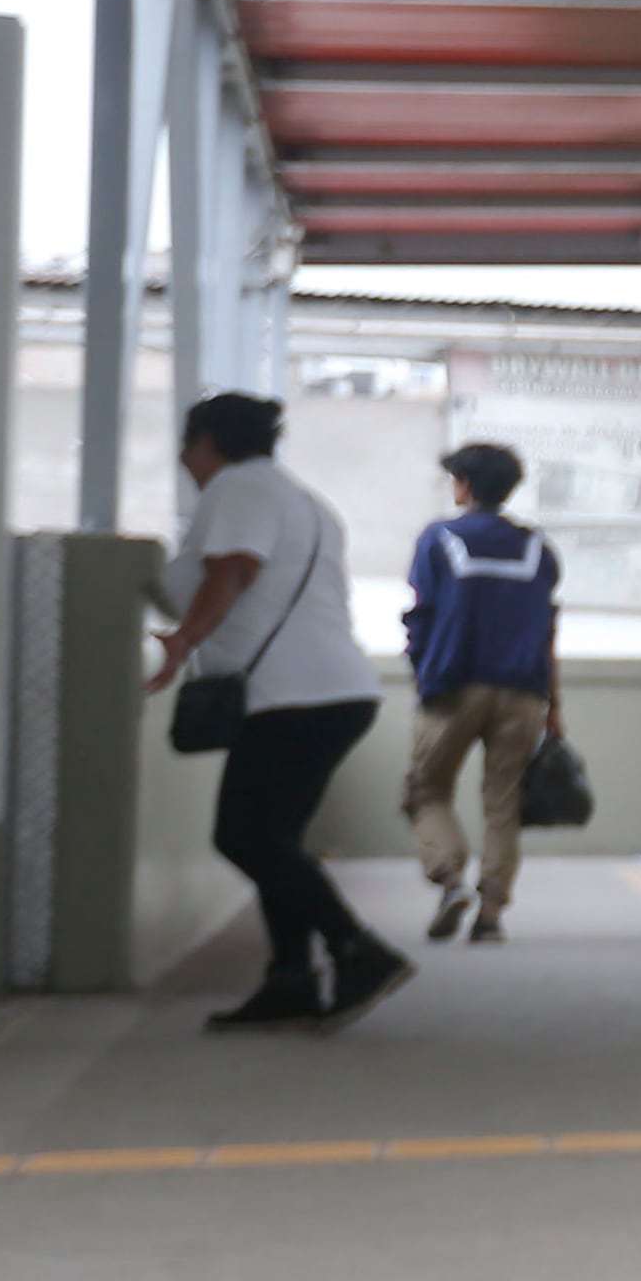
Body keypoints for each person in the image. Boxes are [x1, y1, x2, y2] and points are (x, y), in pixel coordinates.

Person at [147, 391, 405, 1033]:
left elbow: (234, 569)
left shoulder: (240, 489)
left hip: (294, 696)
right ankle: (290, 978)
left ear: (209, 442)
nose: (183, 459)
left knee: (245, 836)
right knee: (274, 842)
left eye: (188, 444)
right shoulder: (306, 501)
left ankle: (357, 950)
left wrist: (184, 641)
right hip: (329, 691)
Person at [397, 439, 558, 945]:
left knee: (426, 790)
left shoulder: (440, 538)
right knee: (503, 802)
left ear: (463, 486)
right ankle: (490, 915)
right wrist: (555, 706)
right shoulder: (538, 548)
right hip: (524, 692)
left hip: (453, 688)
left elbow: (420, 614)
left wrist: (423, 671)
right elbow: (547, 631)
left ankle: (449, 880)